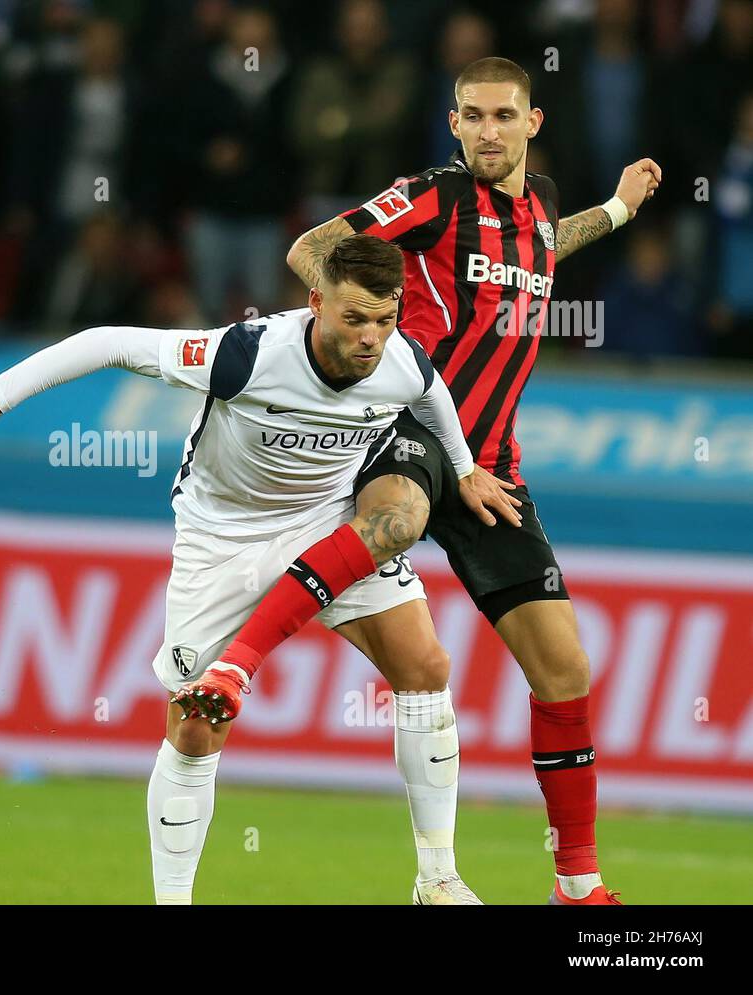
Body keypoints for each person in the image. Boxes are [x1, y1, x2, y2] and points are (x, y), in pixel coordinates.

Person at [181, 57, 661, 905]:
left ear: (532, 122)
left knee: (565, 670)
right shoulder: (434, 196)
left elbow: (550, 244)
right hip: (410, 431)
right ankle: (235, 671)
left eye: (502, 116)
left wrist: (619, 209)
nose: (486, 131)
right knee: (395, 521)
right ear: (453, 123)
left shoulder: (540, 205)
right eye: (471, 116)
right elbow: (310, 248)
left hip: (493, 466)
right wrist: (360, 327)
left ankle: (578, 886)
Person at [0, 234, 518, 904]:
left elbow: (432, 396)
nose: (371, 337)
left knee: (425, 667)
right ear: (316, 302)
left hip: (327, 523)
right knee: (197, 722)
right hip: (222, 539)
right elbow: (111, 340)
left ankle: (436, 879)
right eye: (354, 318)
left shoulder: (401, 361)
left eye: (384, 319)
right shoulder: (247, 353)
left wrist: (464, 472)